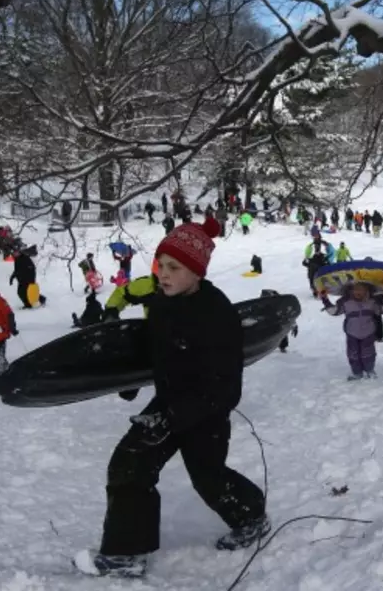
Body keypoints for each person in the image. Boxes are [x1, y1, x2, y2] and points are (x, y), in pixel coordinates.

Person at [73, 218, 269, 578]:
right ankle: (125, 554)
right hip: (168, 402)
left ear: (196, 272)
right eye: (160, 265)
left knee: (207, 476)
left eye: (173, 268)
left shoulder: (217, 314)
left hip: (206, 412)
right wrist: (129, 378)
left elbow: (226, 387)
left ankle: (252, 517)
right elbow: (155, 348)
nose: (163, 274)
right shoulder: (162, 302)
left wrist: (177, 415)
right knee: (129, 463)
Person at [322, 282, 383, 380]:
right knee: (353, 354)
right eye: (355, 289)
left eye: (361, 289)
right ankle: (357, 372)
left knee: (368, 353)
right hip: (352, 333)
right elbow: (334, 311)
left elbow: (382, 310)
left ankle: (370, 370)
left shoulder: (372, 302)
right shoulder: (345, 302)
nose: (358, 292)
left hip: (368, 332)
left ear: (367, 290)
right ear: (351, 290)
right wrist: (325, 299)